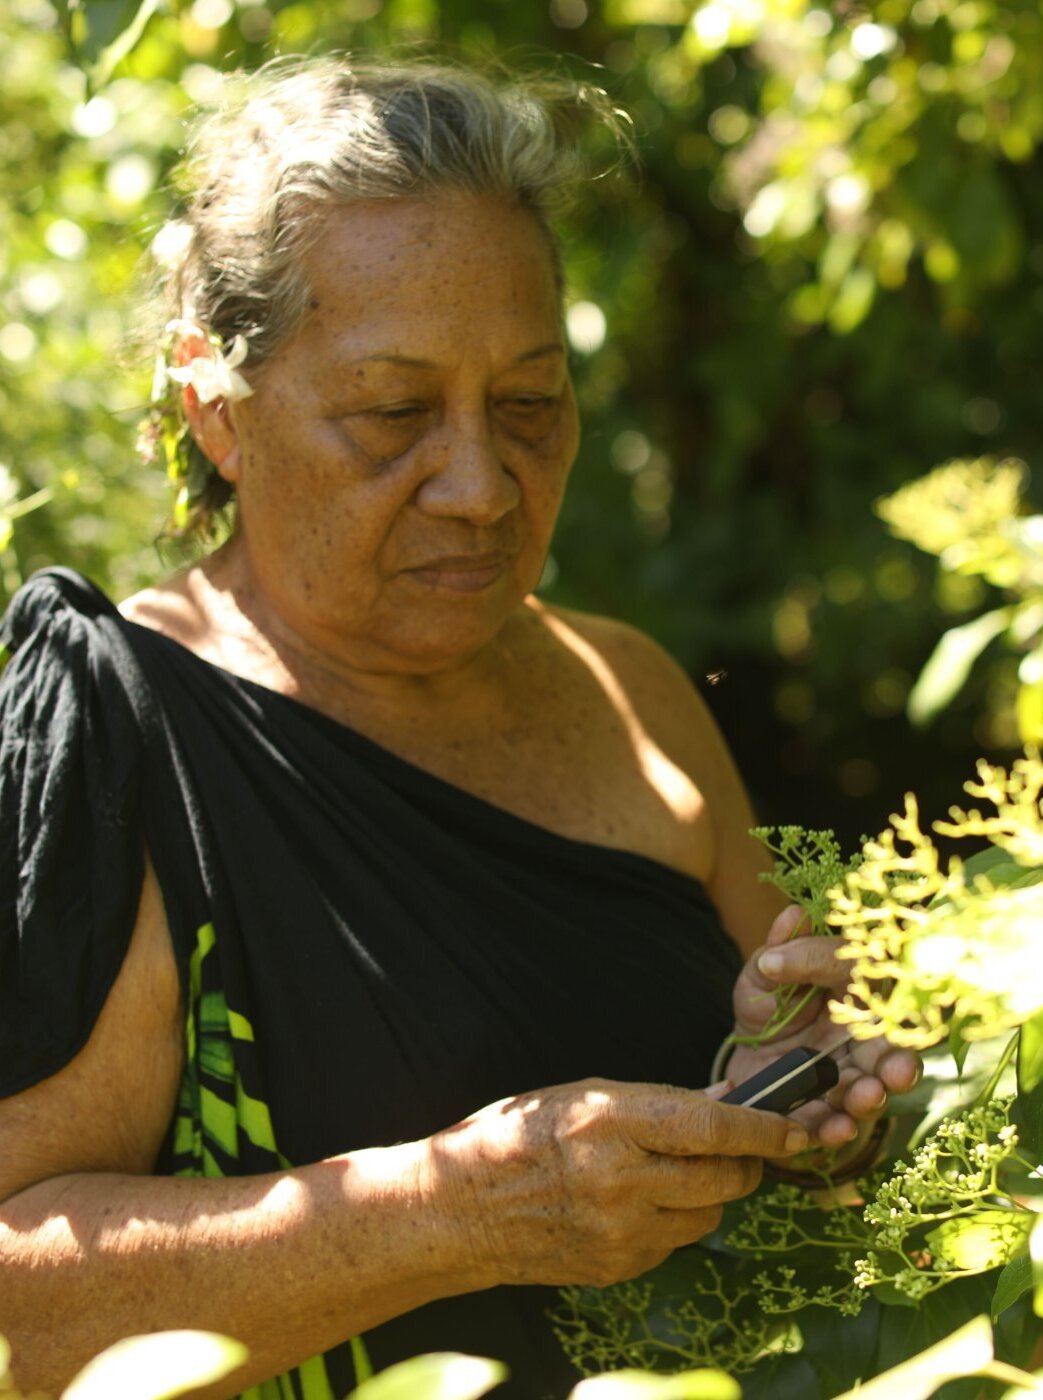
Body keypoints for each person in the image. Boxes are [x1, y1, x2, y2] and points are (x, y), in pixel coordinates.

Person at [0, 57, 918, 1399]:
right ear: (219, 412)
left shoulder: (630, 691)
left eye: (530, 403)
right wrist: (457, 1211)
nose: (483, 486)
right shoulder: (119, 733)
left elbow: (800, 1108)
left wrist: (803, 1104)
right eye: (393, 413)